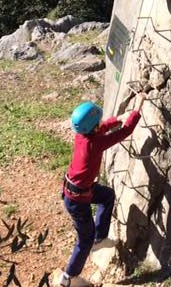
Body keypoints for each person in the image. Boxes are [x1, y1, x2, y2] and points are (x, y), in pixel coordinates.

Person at [56, 93, 146, 287]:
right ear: (93, 126)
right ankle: (68, 278)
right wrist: (137, 108)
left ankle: (100, 238)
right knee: (84, 240)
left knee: (107, 196)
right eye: (98, 121)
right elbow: (124, 132)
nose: (100, 124)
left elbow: (101, 128)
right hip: (78, 200)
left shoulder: (82, 136)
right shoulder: (95, 144)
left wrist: (117, 119)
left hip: (78, 191)